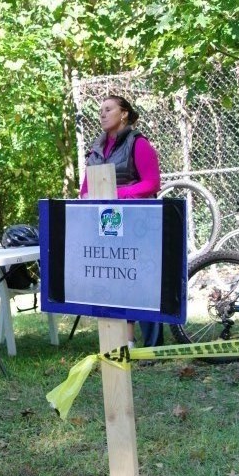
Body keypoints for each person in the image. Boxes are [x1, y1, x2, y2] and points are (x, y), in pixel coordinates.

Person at [79, 95, 164, 348]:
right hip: (108, 221)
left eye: (109, 109)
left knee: (143, 281)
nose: (103, 114)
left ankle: (153, 345)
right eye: (100, 111)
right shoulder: (97, 148)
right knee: (117, 280)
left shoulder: (138, 144)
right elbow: (86, 187)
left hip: (138, 220)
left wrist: (116, 193)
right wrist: (85, 198)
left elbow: (152, 183)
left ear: (124, 113)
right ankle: (125, 341)